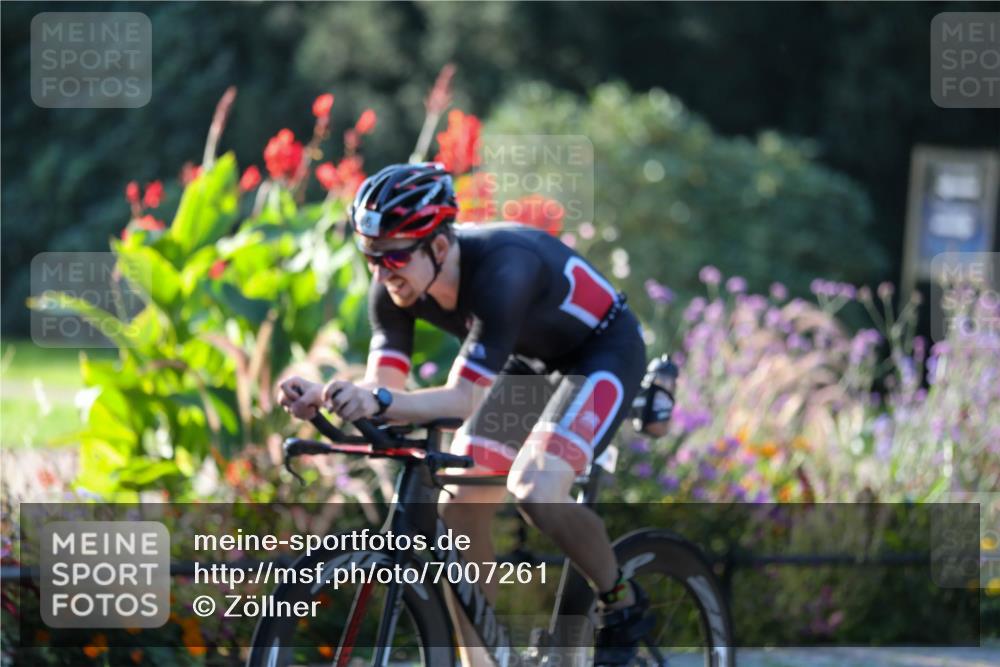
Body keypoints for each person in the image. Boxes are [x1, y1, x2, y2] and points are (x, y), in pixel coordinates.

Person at [278, 162, 652, 666]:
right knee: (460, 503)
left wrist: (383, 402)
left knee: (536, 489)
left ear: (437, 246)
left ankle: (621, 602)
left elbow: (463, 397)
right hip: (529, 367)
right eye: (371, 257)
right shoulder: (394, 287)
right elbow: (383, 387)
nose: (381, 271)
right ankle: (483, 658)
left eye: (393, 257)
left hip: (600, 354)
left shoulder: (503, 268)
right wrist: (326, 394)